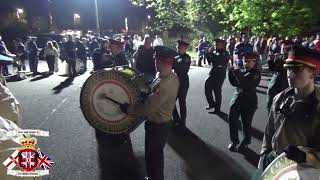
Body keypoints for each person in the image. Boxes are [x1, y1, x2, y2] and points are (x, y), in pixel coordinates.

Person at [256, 46, 320, 176]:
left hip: (301, 170)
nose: (289, 74)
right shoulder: (280, 98)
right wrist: (263, 156)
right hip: (272, 160)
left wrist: (305, 157)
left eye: (296, 69)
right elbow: (269, 133)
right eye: (288, 68)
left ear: (313, 73)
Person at [120, 46, 179, 180]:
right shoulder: (168, 77)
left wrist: (128, 109)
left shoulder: (165, 83)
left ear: (160, 62)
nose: (154, 63)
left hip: (158, 126)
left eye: (156, 60)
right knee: (154, 156)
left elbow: (147, 108)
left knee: (154, 158)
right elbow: (151, 91)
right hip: (160, 124)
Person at [227, 52, 261, 152]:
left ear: (254, 62)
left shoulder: (256, 73)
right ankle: (234, 141)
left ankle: (246, 141)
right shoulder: (242, 70)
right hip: (237, 99)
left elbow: (245, 84)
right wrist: (231, 72)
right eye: (244, 60)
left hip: (249, 101)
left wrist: (237, 73)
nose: (245, 62)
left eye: (248, 61)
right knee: (232, 120)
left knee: (246, 123)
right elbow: (234, 83)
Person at [266, 40, 293, 112]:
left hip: (283, 87)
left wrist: (279, 60)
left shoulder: (292, 60)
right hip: (273, 86)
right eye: (282, 48)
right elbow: (272, 69)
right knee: (269, 105)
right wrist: (271, 60)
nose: (282, 50)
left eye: (284, 48)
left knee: (279, 108)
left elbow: (282, 69)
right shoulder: (281, 57)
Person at [204, 39, 230, 112]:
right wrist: (207, 53)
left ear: (222, 45)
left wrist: (211, 53)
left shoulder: (225, 53)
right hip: (213, 71)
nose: (215, 46)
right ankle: (211, 103)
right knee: (207, 86)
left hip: (220, 72)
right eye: (215, 45)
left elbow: (219, 60)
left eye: (217, 45)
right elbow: (210, 62)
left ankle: (217, 109)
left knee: (217, 90)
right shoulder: (214, 52)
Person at [172, 40, 191, 127]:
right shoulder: (176, 57)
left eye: (180, 47)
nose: (178, 48)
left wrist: (174, 59)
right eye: (177, 47)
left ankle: (183, 121)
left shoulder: (187, 57)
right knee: (171, 101)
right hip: (175, 81)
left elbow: (181, 66)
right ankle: (176, 119)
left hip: (183, 81)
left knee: (182, 102)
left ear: (185, 48)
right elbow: (172, 66)